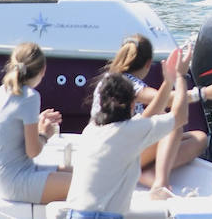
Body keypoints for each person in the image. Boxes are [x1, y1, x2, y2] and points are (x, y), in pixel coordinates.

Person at [94, 34, 212, 198]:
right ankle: (160, 183)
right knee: (172, 125)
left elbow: (153, 111)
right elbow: (164, 100)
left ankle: (146, 174)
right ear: (148, 64)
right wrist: (203, 93)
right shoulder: (124, 84)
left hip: (119, 145)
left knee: (198, 137)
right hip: (118, 151)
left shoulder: (110, 79)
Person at [65, 46, 191, 216]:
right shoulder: (132, 131)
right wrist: (179, 77)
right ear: (132, 104)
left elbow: (149, 115)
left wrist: (168, 83)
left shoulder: (91, 130)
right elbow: (180, 117)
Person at [0, 42, 70, 204]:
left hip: (6, 177)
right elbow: (33, 151)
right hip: (17, 182)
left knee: (82, 173)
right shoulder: (30, 96)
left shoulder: (1, 91)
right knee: (85, 183)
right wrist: (45, 133)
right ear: (43, 70)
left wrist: (37, 121)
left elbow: (11, 127)